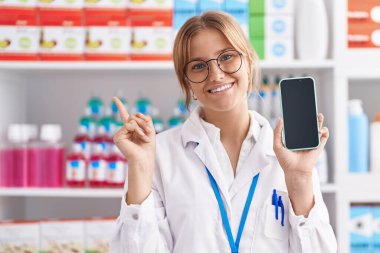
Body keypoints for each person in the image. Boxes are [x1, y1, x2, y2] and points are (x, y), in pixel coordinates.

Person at [110, 11, 337, 253]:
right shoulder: (159, 155)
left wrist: (300, 178)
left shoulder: (291, 154)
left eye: (227, 57)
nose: (216, 74)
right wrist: (141, 167)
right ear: (187, 82)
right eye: (198, 66)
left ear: (249, 63)